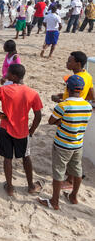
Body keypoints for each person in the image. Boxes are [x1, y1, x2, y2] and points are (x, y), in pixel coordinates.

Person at [0, 64, 43, 197]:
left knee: (7, 158)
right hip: (22, 130)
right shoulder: (32, 93)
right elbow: (38, 116)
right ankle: (31, 186)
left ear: (14, 76)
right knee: (26, 157)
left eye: (8, 73)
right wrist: (31, 131)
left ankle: (9, 187)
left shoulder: (4, 89)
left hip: (6, 128)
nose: (6, 75)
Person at [38, 75, 92, 210]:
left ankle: (54, 202)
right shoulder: (87, 106)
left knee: (58, 173)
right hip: (78, 144)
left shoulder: (63, 105)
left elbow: (51, 121)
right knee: (77, 170)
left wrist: (61, 122)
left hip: (62, 144)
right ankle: (73, 196)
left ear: (68, 87)